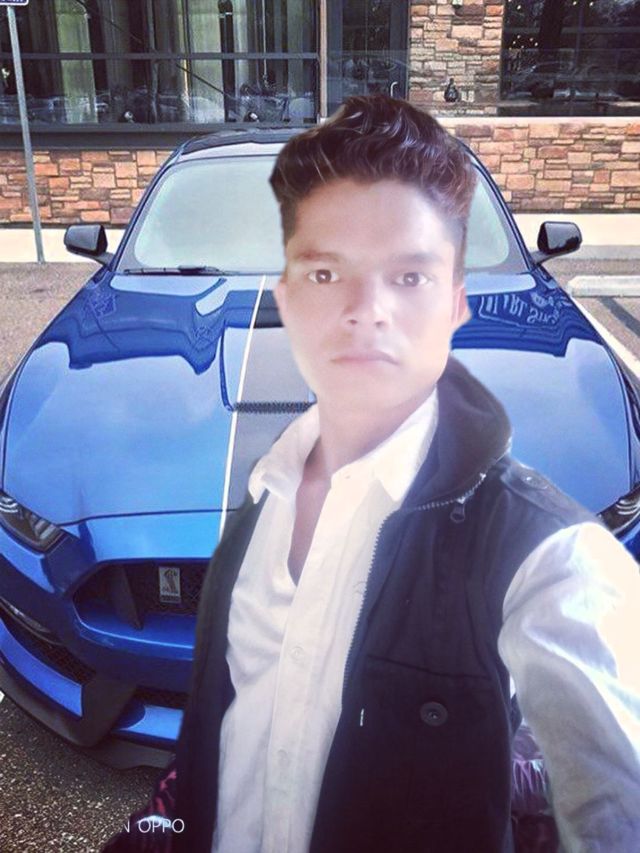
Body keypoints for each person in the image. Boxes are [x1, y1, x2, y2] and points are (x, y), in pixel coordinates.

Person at [103, 94, 640, 852]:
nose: (366, 311)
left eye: (410, 276)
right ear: (287, 298)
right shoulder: (264, 501)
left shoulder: (553, 556)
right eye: (326, 273)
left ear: (457, 301)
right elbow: (222, 738)